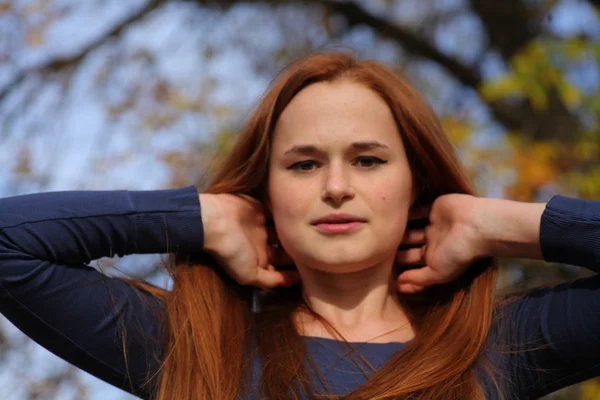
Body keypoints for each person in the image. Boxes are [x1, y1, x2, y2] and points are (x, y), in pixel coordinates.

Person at [0, 51, 599, 400]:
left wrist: (507, 222)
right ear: (267, 192)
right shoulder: (196, 344)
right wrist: (197, 216)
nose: (336, 187)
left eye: (368, 160)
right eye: (304, 164)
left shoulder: (497, 345)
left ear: (416, 184)